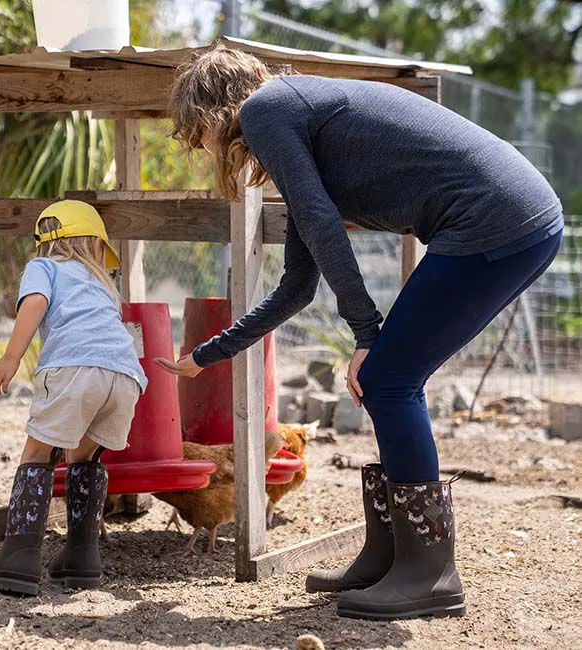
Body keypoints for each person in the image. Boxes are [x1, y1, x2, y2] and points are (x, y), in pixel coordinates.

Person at [156, 44, 563, 620]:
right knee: (389, 380)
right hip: (507, 218)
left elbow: (325, 228)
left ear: (211, 112)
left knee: (390, 378)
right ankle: (388, 554)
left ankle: (429, 575)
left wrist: (366, 335)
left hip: (497, 220)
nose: (201, 149)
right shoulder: (298, 127)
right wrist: (210, 353)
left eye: (195, 135)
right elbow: (298, 286)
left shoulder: (266, 109)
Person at [0, 200, 147, 596]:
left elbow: (35, 303)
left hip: (74, 369)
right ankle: (82, 556)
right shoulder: (103, 281)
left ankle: (18, 556)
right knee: (84, 457)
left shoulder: (43, 267)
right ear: (95, 245)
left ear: (47, 242)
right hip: (125, 377)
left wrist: (11, 356)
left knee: (37, 454)